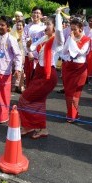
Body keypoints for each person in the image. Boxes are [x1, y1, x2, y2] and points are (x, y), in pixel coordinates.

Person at [19, 9, 64, 139]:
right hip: (39, 72)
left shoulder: (57, 41)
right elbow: (32, 49)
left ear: (54, 27)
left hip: (48, 76)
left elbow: (60, 31)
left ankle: (32, 125)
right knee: (37, 101)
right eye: (46, 25)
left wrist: (58, 15)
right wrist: (28, 46)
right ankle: (36, 127)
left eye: (48, 25)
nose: (45, 27)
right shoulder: (45, 39)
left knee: (24, 98)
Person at [60, 16, 92, 122]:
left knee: (75, 93)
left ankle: (73, 115)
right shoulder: (70, 37)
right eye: (71, 29)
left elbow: (80, 52)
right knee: (68, 92)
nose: (72, 32)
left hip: (80, 69)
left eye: (74, 29)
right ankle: (71, 113)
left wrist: (72, 40)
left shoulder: (86, 40)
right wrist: (67, 58)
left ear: (81, 29)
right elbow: (63, 52)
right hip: (68, 67)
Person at [22, 6, 45, 88]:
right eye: (34, 12)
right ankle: (28, 97)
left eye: (38, 13)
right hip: (29, 56)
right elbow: (23, 40)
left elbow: (45, 42)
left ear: (42, 15)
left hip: (40, 57)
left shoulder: (44, 27)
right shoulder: (27, 27)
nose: (36, 15)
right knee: (28, 77)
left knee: (38, 78)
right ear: (31, 14)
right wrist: (29, 52)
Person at [10, 19, 25, 93]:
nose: (19, 27)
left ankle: (20, 86)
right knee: (13, 70)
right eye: (17, 25)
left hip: (23, 53)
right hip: (14, 54)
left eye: (20, 25)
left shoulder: (25, 34)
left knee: (21, 71)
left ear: (23, 26)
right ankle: (14, 86)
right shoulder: (12, 33)